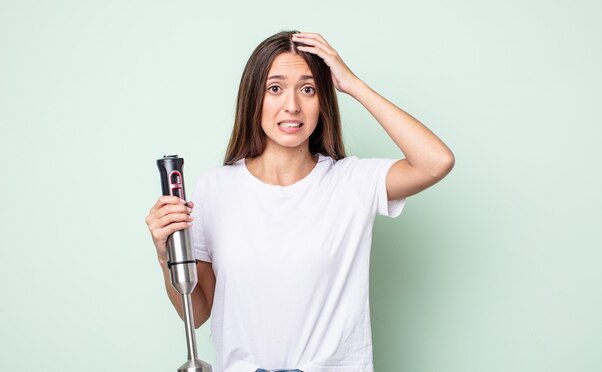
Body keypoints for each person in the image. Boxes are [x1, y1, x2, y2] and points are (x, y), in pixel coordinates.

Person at [146, 31, 454, 372]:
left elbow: (436, 161)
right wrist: (165, 257)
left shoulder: (350, 182)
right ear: (253, 98)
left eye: (308, 89)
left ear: (323, 100)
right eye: (275, 88)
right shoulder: (214, 189)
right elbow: (198, 311)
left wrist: (352, 84)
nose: (292, 105)